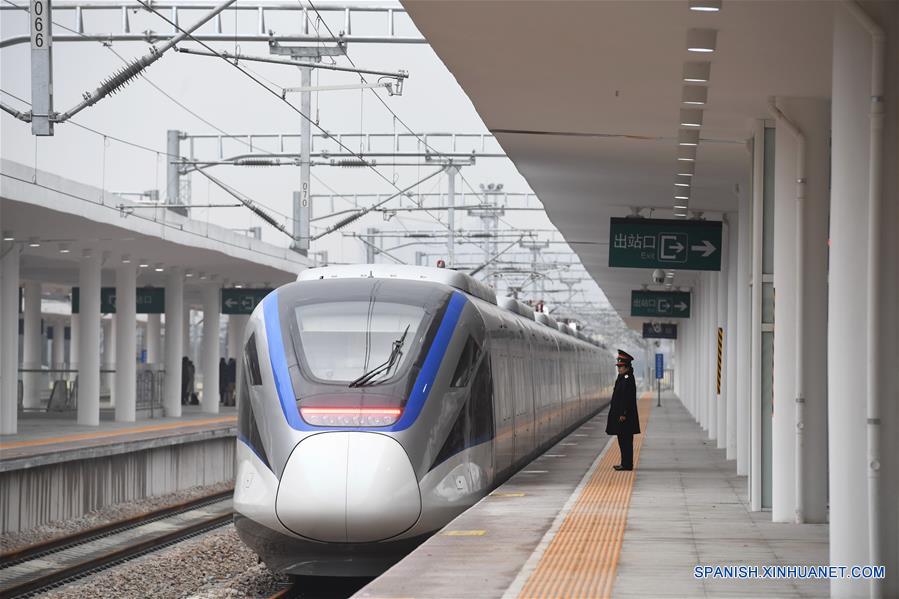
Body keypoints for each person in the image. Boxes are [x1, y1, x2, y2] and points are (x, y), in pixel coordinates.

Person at [606, 349, 640, 471]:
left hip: (625, 417)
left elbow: (627, 398)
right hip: (623, 416)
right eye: (618, 366)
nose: (619, 369)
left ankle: (627, 464)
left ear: (627, 367)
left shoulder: (627, 379)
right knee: (623, 440)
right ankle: (624, 463)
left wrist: (623, 413)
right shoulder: (623, 377)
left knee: (625, 441)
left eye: (621, 367)